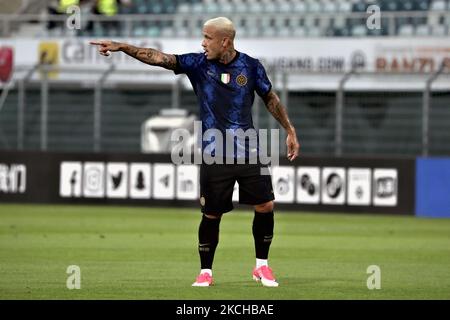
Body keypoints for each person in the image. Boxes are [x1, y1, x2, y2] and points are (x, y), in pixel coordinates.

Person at [90, 17, 300, 287]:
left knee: (266, 205)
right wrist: (122, 46)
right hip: (214, 153)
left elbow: (270, 97)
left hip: (250, 150)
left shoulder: (251, 66)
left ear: (225, 41)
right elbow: (157, 57)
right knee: (212, 214)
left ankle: (262, 266)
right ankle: (206, 272)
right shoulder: (199, 64)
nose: (203, 43)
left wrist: (289, 130)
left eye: (207, 37)